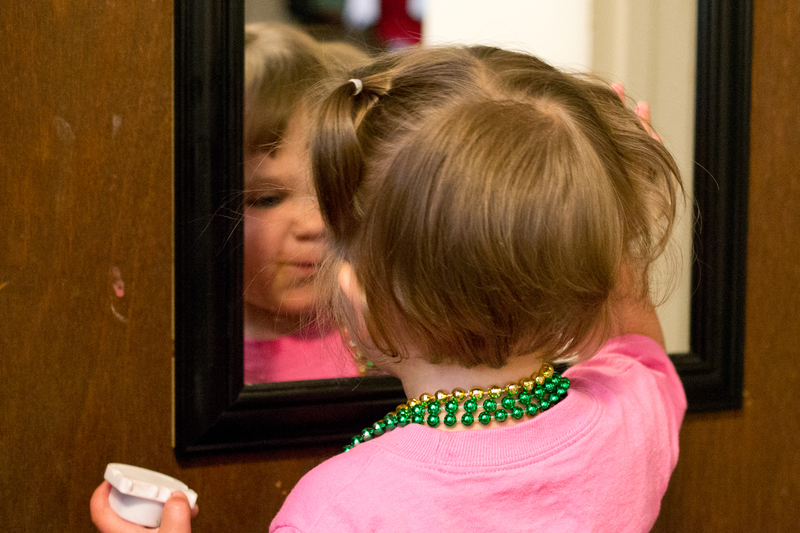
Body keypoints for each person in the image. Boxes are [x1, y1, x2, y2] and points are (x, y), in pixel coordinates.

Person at [92, 44, 686, 532]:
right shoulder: (627, 423)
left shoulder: (339, 509)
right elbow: (644, 352)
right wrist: (617, 210)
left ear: (359, 292)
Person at [241, 23, 372, 383]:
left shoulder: (381, 329)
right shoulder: (188, 359)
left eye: (333, 187)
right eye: (267, 198)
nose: (315, 225)